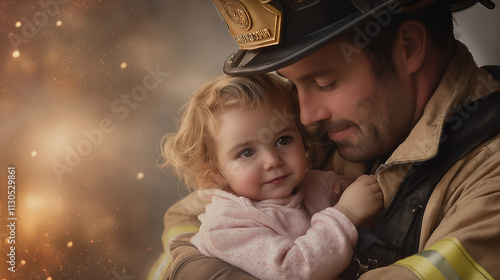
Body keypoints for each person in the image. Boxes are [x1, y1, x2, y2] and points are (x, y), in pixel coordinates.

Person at [149, 0, 500, 279]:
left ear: (408, 47)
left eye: (324, 83)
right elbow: (187, 218)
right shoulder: (313, 132)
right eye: (293, 85)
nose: (304, 117)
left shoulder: (490, 179)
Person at [157, 73, 383, 280]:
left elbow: (320, 187)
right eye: (247, 152)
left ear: (302, 139)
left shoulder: (307, 181)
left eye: (283, 140)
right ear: (217, 172)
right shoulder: (228, 226)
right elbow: (293, 270)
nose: (272, 161)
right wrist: (346, 214)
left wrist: (338, 188)